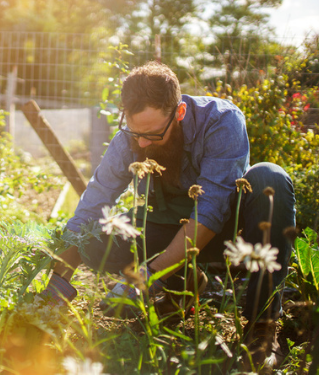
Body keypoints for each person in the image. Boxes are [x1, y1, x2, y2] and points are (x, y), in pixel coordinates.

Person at [40, 62, 295, 372]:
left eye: (153, 134)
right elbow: (92, 204)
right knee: (93, 239)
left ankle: (262, 331)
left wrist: (148, 276)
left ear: (180, 113)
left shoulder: (221, 122)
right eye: (136, 134)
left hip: (226, 235)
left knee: (271, 179)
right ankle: (183, 286)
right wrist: (56, 283)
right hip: (165, 229)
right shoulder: (130, 139)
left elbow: (211, 210)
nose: (143, 143)